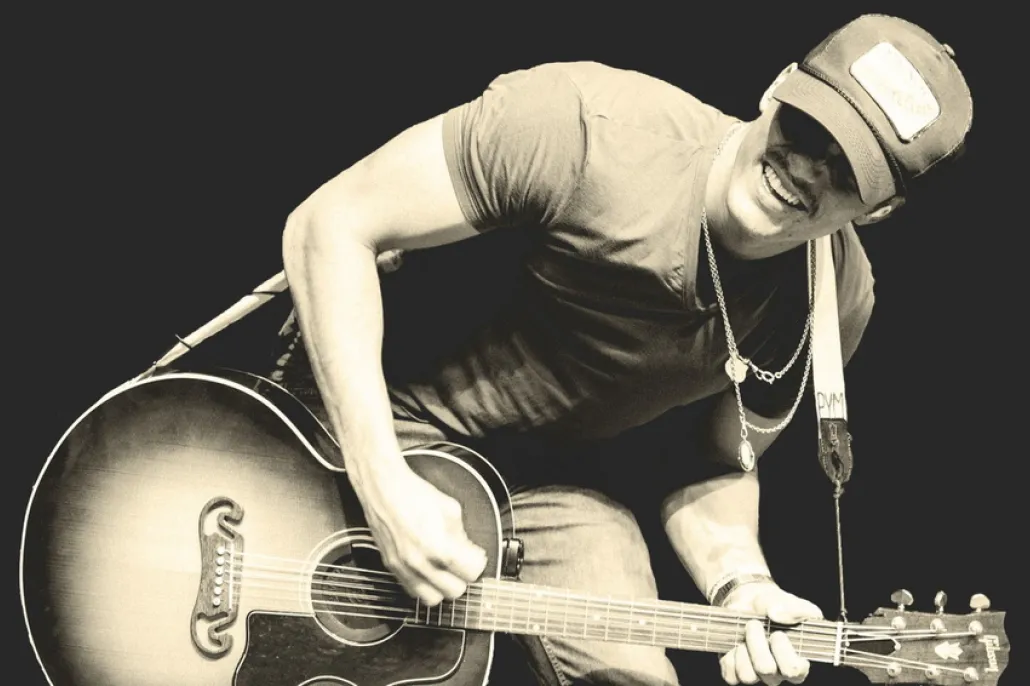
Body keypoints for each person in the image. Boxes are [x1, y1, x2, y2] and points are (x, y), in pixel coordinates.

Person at [272, 14, 972, 686]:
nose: (807, 171)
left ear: (879, 210)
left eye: (847, 172)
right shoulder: (581, 128)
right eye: (810, 127)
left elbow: (715, 459)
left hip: (545, 481)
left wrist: (742, 583)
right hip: (361, 424)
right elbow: (330, 225)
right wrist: (384, 485)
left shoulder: (833, 302)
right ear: (779, 86)